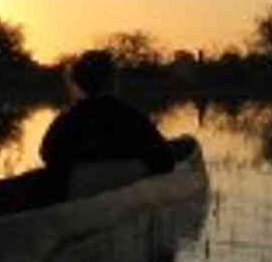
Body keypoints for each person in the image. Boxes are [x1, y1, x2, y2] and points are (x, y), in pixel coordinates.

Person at [40, 50, 175, 199]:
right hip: (129, 196)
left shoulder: (66, 120)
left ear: (79, 82)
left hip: (79, 197)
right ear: (112, 80)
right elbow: (166, 161)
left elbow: (47, 155)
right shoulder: (131, 116)